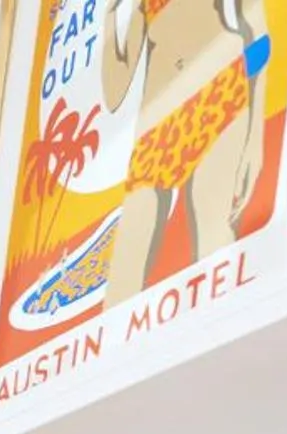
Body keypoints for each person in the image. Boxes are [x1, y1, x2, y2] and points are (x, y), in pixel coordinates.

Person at [102, 0, 269, 308]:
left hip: (220, 94)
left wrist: (256, 139)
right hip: (159, 124)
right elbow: (114, 94)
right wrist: (110, 17)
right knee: (126, 266)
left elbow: (257, 35)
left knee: (214, 239)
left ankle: (225, 332)